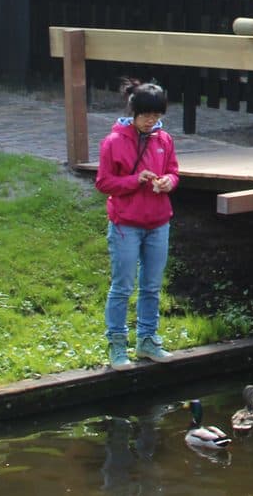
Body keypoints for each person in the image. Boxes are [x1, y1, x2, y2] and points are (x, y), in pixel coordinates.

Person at [96, 78, 180, 367]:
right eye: (146, 116)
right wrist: (135, 180)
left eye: (157, 117)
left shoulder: (164, 140)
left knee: (152, 286)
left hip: (158, 222)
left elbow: (173, 171)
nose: (151, 122)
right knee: (122, 286)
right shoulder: (113, 142)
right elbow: (104, 182)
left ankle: (147, 340)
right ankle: (117, 345)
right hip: (125, 224)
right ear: (133, 112)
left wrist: (168, 181)